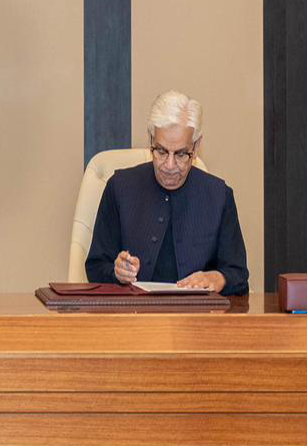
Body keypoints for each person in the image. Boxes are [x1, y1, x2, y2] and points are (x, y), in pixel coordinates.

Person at [83, 90, 250, 294]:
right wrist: (116, 272)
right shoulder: (119, 188)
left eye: (180, 154)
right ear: (151, 140)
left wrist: (217, 278)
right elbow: (96, 266)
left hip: (197, 321)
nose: (169, 165)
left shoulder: (219, 196)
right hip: (133, 320)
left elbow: (238, 275)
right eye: (161, 151)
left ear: (196, 147)